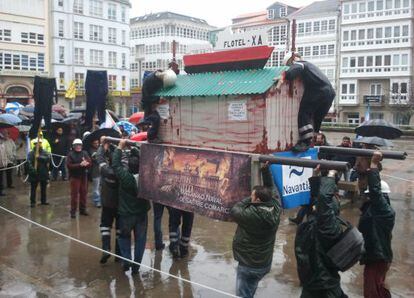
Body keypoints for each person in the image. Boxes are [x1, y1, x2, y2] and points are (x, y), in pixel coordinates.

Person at [295, 166, 348, 298]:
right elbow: (317, 198)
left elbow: (324, 198)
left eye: (317, 206)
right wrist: (315, 175)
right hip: (312, 283)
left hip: (325, 287)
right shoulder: (317, 223)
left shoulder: (329, 228)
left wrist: (331, 175)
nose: (313, 206)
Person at [231, 163, 281, 298]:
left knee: (243, 294)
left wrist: (250, 200)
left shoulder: (250, 214)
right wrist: (265, 170)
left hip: (248, 265)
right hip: (264, 263)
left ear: (257, 200)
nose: (250, 197)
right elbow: (271, 188)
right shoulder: (276, 207)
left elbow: (235, 209)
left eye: (252, 196)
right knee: (251, 287)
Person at [278, 52, 335, 152]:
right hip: (330, 93)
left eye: (289, 65)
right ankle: (315, 134)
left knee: (304, 112)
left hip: (317, 90)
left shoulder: (301, 64)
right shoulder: (313, 67)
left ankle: (305, 141)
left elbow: (296, 69)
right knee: (316, 116)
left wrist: (286, 75)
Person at [358, 151, 395, 298]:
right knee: (378, 287)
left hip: (377, 258)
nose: (367, 197)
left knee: (372, 291)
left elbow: (374, 191)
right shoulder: (378, 210)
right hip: (377, 256)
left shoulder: (383, 209)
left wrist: (373, 165)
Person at [112, 139, 150, 274]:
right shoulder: (147, 177)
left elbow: (115, 164)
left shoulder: (125, 177)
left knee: (124, 237)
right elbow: (147, 161)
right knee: (140, 240)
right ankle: (136, 266)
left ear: (128, 166)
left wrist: (120, 147)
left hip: (126, 214)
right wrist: (134, 149)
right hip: (141, 214)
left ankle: (127, 259)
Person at [96, 137, 120, 264]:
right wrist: (118, 146)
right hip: (120, 204)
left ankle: (106, 248)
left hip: (107, 203)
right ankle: (118, 254)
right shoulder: (122, 170)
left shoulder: (106, 171)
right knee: (119, 228)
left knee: (105, 225)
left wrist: (102, 146)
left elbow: (99, 158)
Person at [66, 138, 91, 218]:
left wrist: (86, 164)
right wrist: (80, 165)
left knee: (84, 193)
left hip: (83, 176)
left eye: (79, 145)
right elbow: (69, 165)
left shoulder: (85, 153)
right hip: (74, 177)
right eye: (76, 145)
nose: (78, 146)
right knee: (74, 195)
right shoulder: (70, 154)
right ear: (73, 146)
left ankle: (82, 210)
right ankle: (73, 211)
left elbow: (90, 163)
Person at [26, 138, 51, 207]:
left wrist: (39, 157)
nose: (38, 144)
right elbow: (28, 162)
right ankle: (32, 202)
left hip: (43, 173)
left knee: (43, 188)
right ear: (34, 144)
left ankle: (43, 201)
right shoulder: (31, 153)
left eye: (39, 143)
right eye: (36, 143)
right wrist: (32, 170)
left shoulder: (44, 152)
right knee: (33, 188)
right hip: (34, 173)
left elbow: (48, 159)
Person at [89, 139, 101, 207]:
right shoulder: (91, 150)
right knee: (96, 188)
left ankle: (101, 200)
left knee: (102, 187)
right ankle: (97, 201)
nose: (96, 144)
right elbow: (96, 159)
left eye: (97, 143)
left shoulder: (101, 149)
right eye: (94, 143)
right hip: (95, 171)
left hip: (102, 171)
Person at [0, 132, 8, 196]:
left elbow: (4, 155)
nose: (1, 139)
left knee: (1, 178)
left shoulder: (2, 145)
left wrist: (5, 163)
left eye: (1, 138)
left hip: (1, 165)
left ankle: (1, 191)